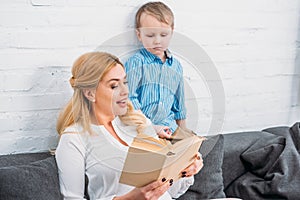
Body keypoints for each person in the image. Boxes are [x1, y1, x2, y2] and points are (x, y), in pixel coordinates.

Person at [55, 52, 203, 200]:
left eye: (125, 82)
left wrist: (185, 169)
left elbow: (168, 192)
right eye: (114, 85)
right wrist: (131, 198)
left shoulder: (138, 122)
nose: (125, 91)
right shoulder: (74, 138)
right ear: (90, 93)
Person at [125, 1, 187, 136]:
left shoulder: (175, 66)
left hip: (170, 128)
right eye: (150, 35)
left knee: (194, 154)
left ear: (171, 32)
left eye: (163, 35)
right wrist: (150, 127)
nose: (157, 41)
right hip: (144, 130)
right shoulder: (136, 63)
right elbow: (130, 99)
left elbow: (179, 103)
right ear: (139, 35)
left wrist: (184, 133)